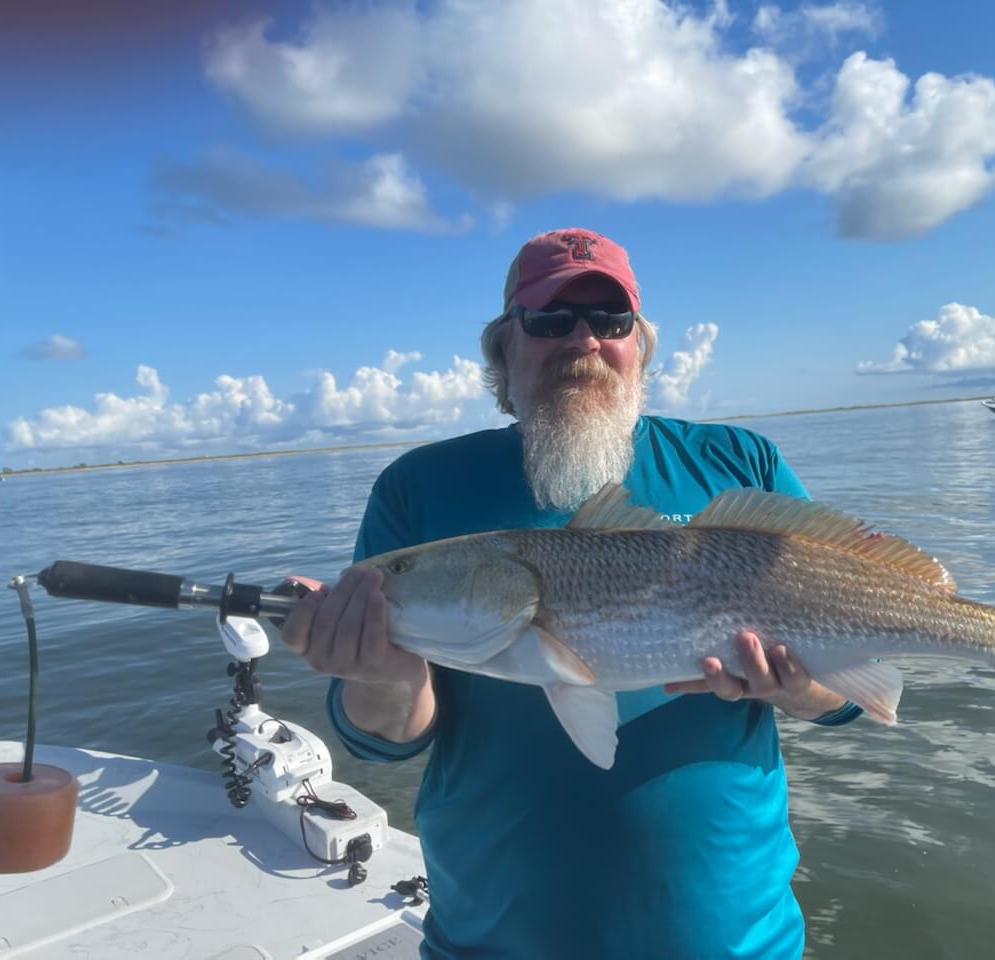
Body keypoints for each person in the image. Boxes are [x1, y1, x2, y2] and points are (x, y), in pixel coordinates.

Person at [281, 228, 863, 959]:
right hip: (493, 940)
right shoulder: (421, 488)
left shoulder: (740, 461)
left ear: (640, 346)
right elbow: (383, 736)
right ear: (504, 350)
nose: (583, 340)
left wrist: (798, 689)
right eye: (551, 321)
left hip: (736, 941)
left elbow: (843, 700)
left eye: (610, 321)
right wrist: (383, 676)